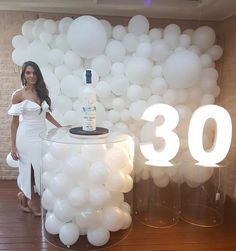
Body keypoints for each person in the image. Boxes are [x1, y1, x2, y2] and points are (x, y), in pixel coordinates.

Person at [8, 61, 62, 216]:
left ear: (38, 75)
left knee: (40, 167)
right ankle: (30, 202)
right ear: (24, 75)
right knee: (28, 169)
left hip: (41, 135)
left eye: (34, 73)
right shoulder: (18, 95)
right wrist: (13, 147)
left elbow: (46, 114)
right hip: (25, 136)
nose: (31, 76)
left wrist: (60, 127)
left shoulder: (41, 91)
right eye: (28, 73)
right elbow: (14, 122)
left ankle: (23, 197)